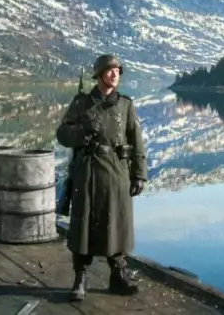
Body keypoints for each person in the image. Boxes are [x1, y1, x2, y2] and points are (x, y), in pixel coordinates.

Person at [56, 54, 148, 301]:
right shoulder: (81, 103)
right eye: (110, 70)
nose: (115, 74)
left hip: (117, 173)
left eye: (118, 70)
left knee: (117, 224)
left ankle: (118, 276)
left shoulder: (126, 104)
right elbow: (62, 135)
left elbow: (137, 142)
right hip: (87, 172)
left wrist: (139, 175)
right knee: (83, 226)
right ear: (99, 74)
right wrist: (82, 130)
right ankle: (80, 279)